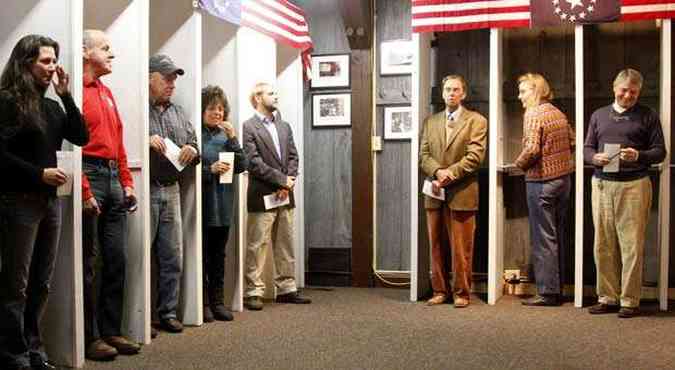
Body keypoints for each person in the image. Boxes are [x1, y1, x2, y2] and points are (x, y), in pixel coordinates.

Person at [0, 34, 89, 370]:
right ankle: (13, 353)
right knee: (15, 285)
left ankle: (34, 348)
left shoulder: (52, 104)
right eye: (46, 61)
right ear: (26, 63)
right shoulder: (7, 101)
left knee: (41, 282)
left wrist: (66, 96)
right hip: (19, 202)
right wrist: (39, 175)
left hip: (50, 204)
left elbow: (81, 136)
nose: (53, 68)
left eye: (55, 61)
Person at [584, 68, 666, 318]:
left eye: (633, 92)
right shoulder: (598, 115)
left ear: (639, 92)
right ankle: (607, 297)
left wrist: (639, 155)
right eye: (624, 90)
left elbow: (660, 151)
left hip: (634, 185)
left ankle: (629, 300)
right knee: (603, 244)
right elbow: (587, 147)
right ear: (614, 87)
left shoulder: (648, 115)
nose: (628, 95)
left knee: (631, 245)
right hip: (602, 184)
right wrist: (593, 157)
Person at [80, 29, 141, 360]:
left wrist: (127, 182)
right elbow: (73, 147)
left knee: (116, 259)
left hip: (113, 180)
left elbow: (118, 142)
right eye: (105, 48)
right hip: (89, 175)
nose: (111, 53)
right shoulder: (76, 91)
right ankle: (90, 337)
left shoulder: (106, 92)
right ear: (86, 53)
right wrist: (86, 190)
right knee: (88, 263)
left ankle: (112, 330)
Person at [419, 74, 487, 308]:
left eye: (456, 89)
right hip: (434, 192)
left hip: (462, 192)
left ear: (463, 94)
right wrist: (438, 172)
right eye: (447, 89)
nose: (451, 93)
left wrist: (450, 174)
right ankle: (439, 290)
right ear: (442, 93)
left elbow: (475, 157)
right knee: (435, 245)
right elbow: (423, 156)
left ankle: (461, 293)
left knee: (461, 248)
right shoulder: (431, 121)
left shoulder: (476, 121)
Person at [242, 82, 310, 310]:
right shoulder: (249, 127)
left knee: (285, 243)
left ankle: (287, 288)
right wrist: (281, 180)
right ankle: (253, 291)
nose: (276, 96)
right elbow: (253, 163)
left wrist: (288, 183)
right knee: (257, 244)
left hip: (284, 195)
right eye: (271, 93)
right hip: (262, 194)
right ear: (258, 98)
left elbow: (293, 157)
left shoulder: (285, 126)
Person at [148, 54, 200, 331]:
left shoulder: (179, 112)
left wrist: (193, 149)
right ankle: (141, 318)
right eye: (166, 78)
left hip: (172, 190)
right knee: (141, 255)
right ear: (149, 78)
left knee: (172, 257)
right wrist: (144, 141)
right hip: (146, 190)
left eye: (174, 79)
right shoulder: (138, 108)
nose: (171, 84)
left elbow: (192, 142)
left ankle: (167, 312)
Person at [514, 73, 574, 307]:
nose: (519, 96)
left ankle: (547, 292)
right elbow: (572, 140)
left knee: (543, 239)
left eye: (523, 91)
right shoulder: (557, 112)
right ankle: (556, 289)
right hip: (563, 180)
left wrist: (518, 165)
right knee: (557, 235)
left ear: (537, 90)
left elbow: (531, 150)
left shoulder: (533, 113)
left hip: (541, 182)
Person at [200, 85, 247, 322]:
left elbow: (242, 166)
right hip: (203, 205)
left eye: (220, 109)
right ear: (202, 110)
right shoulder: (196, 134)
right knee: (203, 255)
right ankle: (203, 303)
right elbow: (190, 169)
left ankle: (218, 301)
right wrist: (210, 170)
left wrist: (233, 138)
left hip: (224, 205)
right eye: (211, 108)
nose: (217, 113)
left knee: (219, 256)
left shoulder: (225, 136)